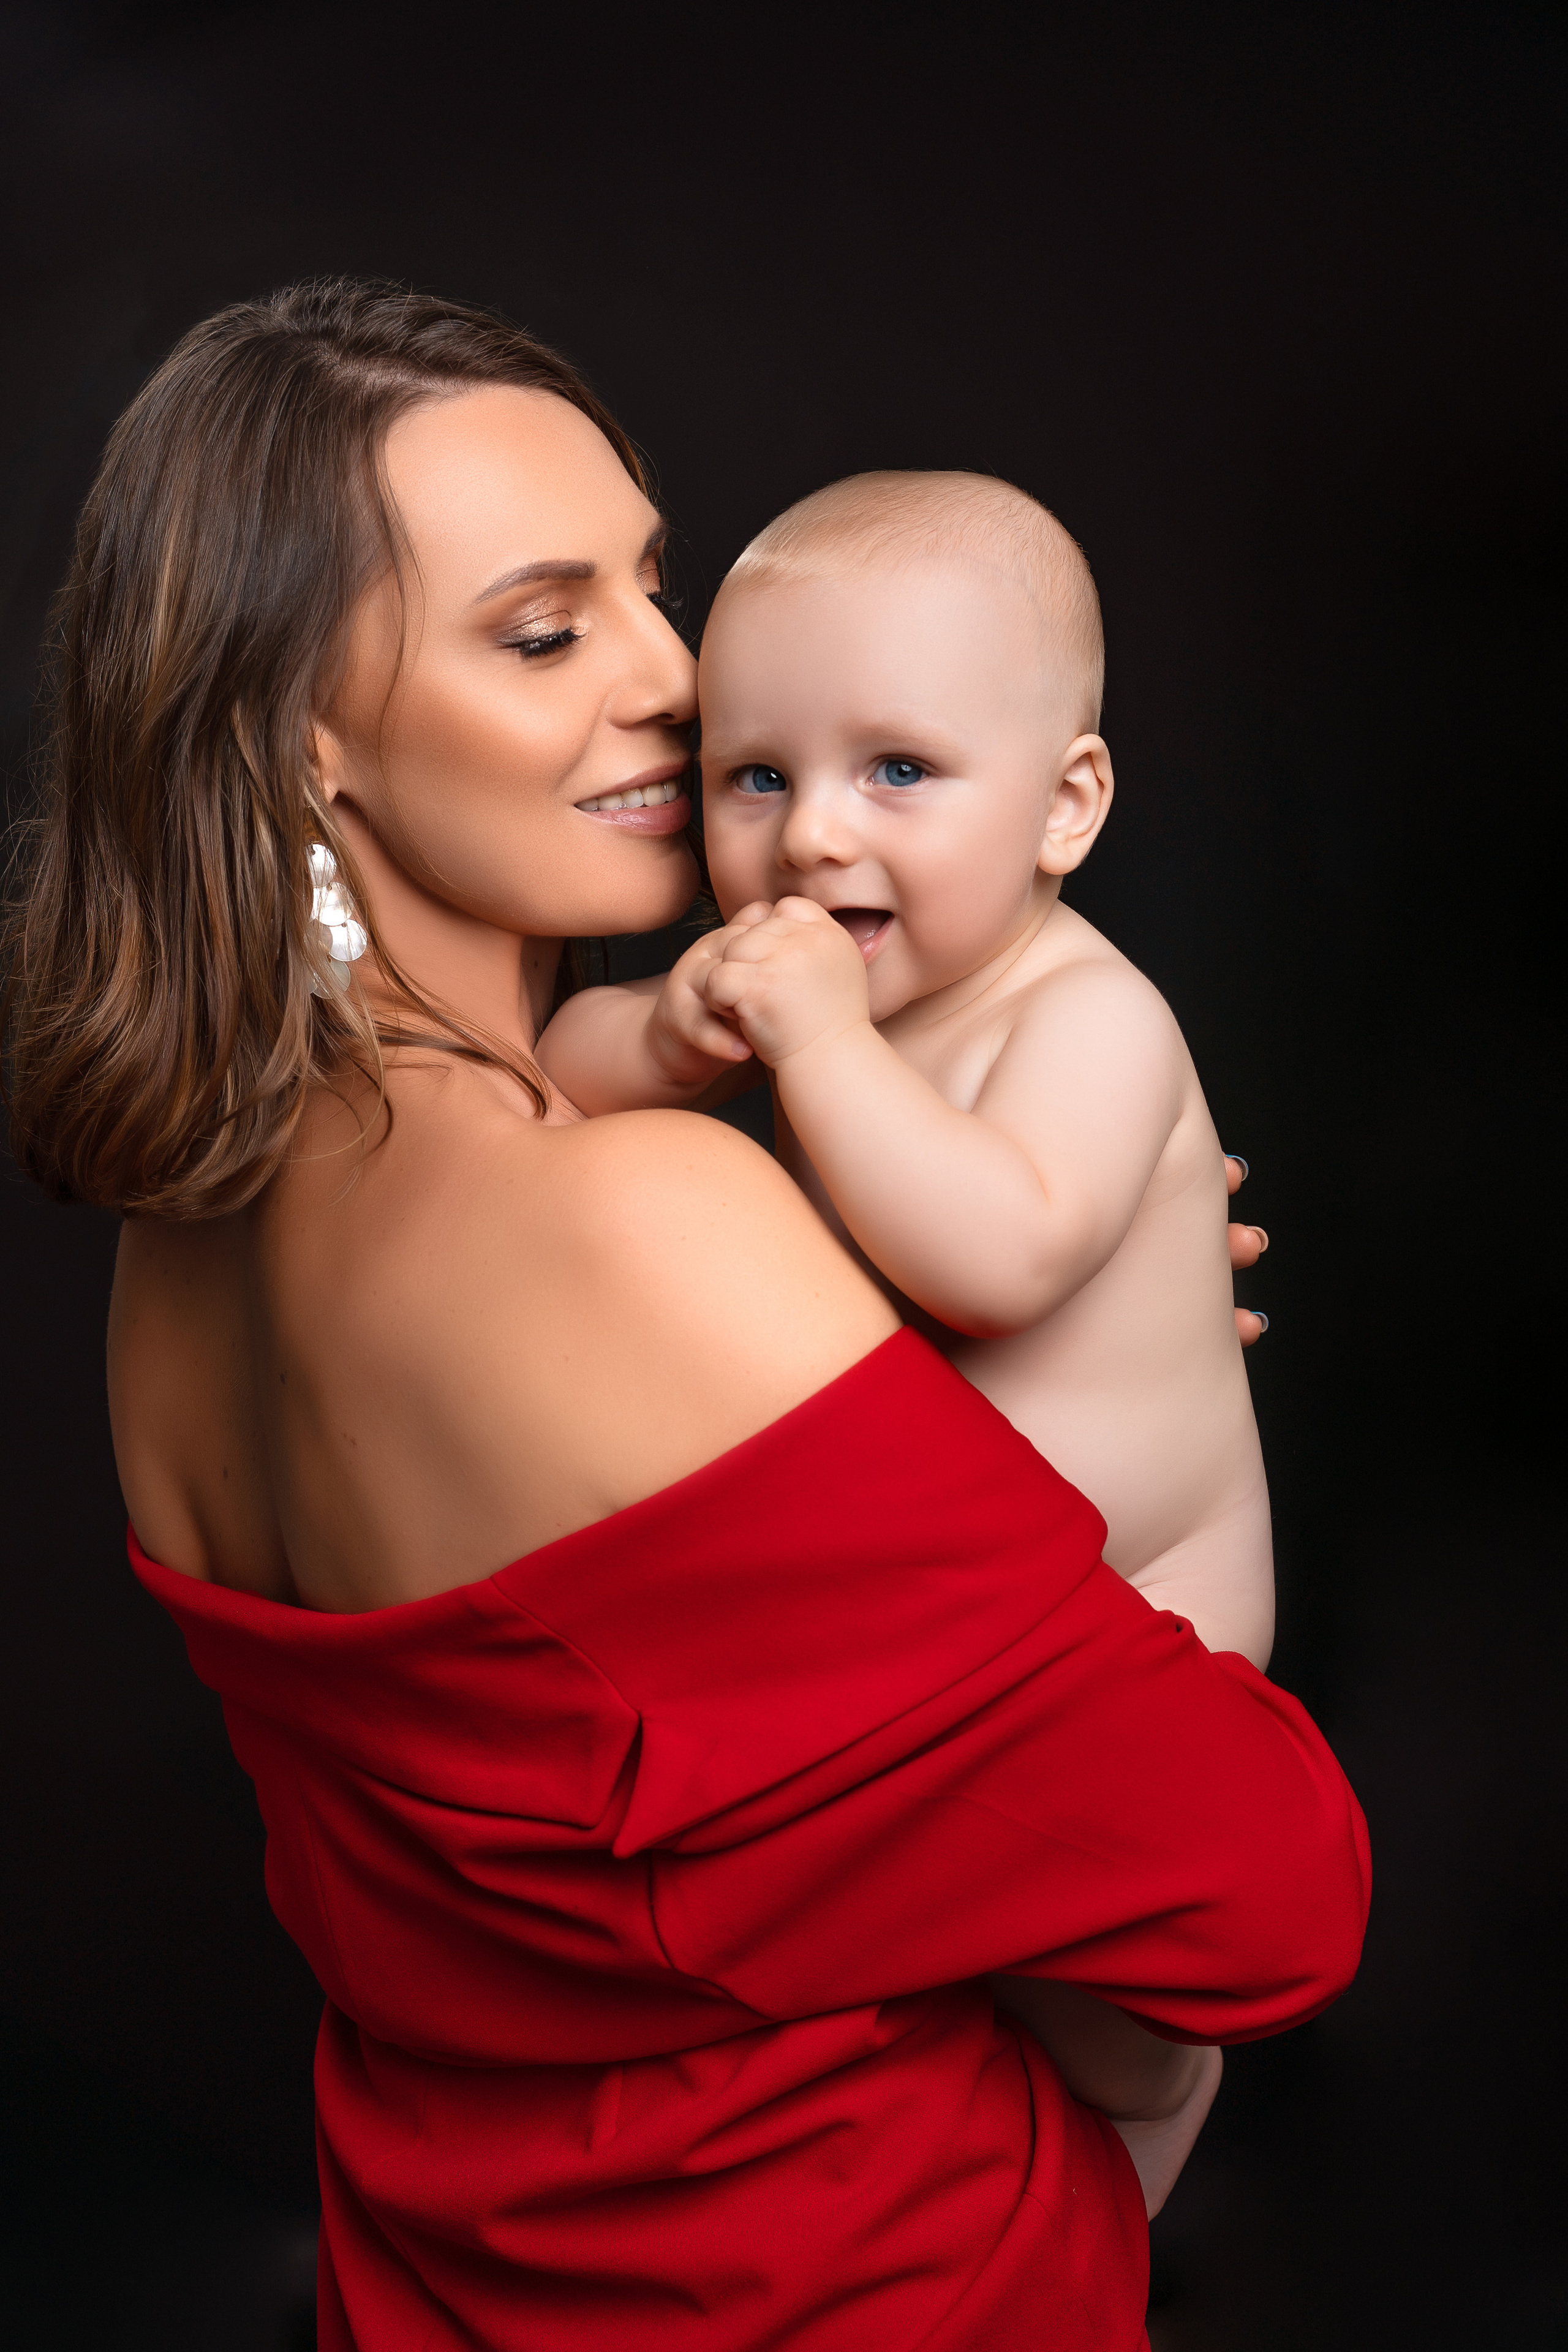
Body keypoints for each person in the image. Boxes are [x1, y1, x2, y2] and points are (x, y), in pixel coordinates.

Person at [2, 281, 1368, 2352]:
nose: (672, 675)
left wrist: (959, 1379)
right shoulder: (639, 1223)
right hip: (857, 2290)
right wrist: (1015, 1424)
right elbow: (1265, 1887)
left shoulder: (183, 1243)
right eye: (545, 631)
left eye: (654, 584)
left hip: (451, 2287)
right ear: (305, 733)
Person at [535, 469, 1276, 2146]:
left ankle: (1157, 2108)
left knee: (1095, 1991)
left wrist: (814, 1052)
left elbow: (997, 1258)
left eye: (899, 771)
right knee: (931, 1953)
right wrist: (665, 1037)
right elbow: (552, 1093)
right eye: (755, 775)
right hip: (934, 1628)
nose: (812, 834)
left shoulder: (1089, 1018)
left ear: (1065, 806)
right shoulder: (812, 991)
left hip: (1142, 1609)